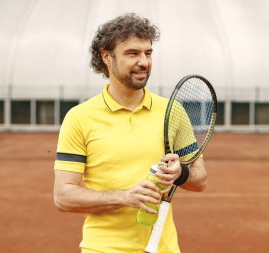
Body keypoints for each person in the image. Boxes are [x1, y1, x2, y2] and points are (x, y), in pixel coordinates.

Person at [53, 13, 207, 253]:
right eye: (132, 53)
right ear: (107, 57)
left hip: (164, 248)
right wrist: (124, 197)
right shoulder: (79, 118)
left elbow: (200, 179)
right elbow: (63, 196)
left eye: (148, 53)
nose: (144, 62)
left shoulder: (172, 110)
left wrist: (181, 173)